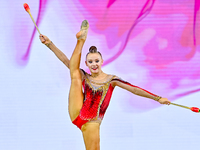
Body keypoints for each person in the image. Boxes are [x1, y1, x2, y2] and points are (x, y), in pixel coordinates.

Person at [39, 20, 171, 150]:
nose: (94, 64)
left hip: (88, 121)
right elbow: (65, 60)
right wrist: (49, 44)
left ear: (102, 61)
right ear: (87, 64)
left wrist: (157, 98)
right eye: (90, 62)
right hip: (86, 117)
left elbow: (134, 89)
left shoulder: (111, 79)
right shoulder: (86, 76)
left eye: (96, 60)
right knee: (75, 74)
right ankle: (81, 40)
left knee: (75, 72)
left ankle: (81, 40)